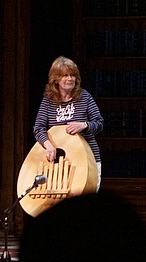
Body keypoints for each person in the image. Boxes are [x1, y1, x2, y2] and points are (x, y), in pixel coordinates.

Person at [33, 56, 105, 189]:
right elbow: (38, 128)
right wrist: (48, 145)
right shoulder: (48, 101)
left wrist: (84, 125)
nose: (70, 79)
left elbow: (99, 123)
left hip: (87, 160)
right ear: (56, 79)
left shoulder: (85, 97)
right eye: (65, 75)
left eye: (72, 75)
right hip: (59, 163)